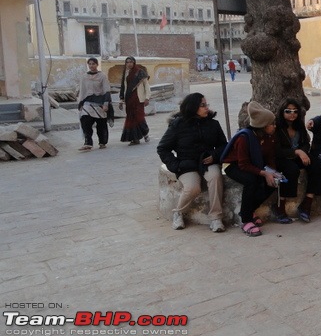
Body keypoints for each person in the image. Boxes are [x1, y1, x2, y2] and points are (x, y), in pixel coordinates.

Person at [157, 93, 228, 232]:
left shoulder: (213, 124)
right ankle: (178, 212)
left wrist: (214, 156)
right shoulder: (178, 125)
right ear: (193, 107)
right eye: (202, 105)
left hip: (207, 162)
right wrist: (175, 165)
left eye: (206, 104)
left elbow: (223, 145)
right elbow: (163, 148)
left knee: (215, 177)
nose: (206, 108)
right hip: (186, 165)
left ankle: (215, 218)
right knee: (193, 187)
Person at [221, 102, 288, 237]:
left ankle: (248, 210)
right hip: (233, 165)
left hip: (254, 164)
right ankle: (246, 220)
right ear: (263, 126)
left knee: (273, 183)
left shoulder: (269, 137)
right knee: (251, 180)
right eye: (271, 124)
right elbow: (243, 165)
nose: (274, 126)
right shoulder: (244, 138)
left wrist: (273, 173)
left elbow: (269, 157)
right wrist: (264, 173)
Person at [275, 98, 321, 223]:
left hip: (298, 156)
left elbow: (306, 143)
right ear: (282, 112)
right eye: (288, 111)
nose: (292, 114)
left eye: (295, 111)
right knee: (291, 170)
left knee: (317, 165)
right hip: (282, 158)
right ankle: (280, 206)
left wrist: (302, 151)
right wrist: (297, 152)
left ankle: (307, 203)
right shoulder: (277, 127)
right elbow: (276, 150)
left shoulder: (299, 125)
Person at [77, 57, 113, 151]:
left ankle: (102, 142)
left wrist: (106, 103)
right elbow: (82, 90)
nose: (91, 66)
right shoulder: (84, 76)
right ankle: (88, 142)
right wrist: (80, 103)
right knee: (85, 120)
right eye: (90, 64)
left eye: (93, 64)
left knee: (101, 123)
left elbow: (106, 89)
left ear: (97, 65)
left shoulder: (102, 76)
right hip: (87, 102)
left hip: (100, 102)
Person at [119, 56, 151, 145]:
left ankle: (145, 133)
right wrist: (121, 99)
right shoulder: (126, 73)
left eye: (131, 62)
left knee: (139, 117)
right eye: (127, 62)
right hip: (129, 99)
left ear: (134, 63)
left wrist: (147, 98)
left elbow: (147, 86)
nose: (129, 64)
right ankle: (135, 138)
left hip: (138, 99)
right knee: (131, 118)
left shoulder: (140, 72)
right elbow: (123, 87)